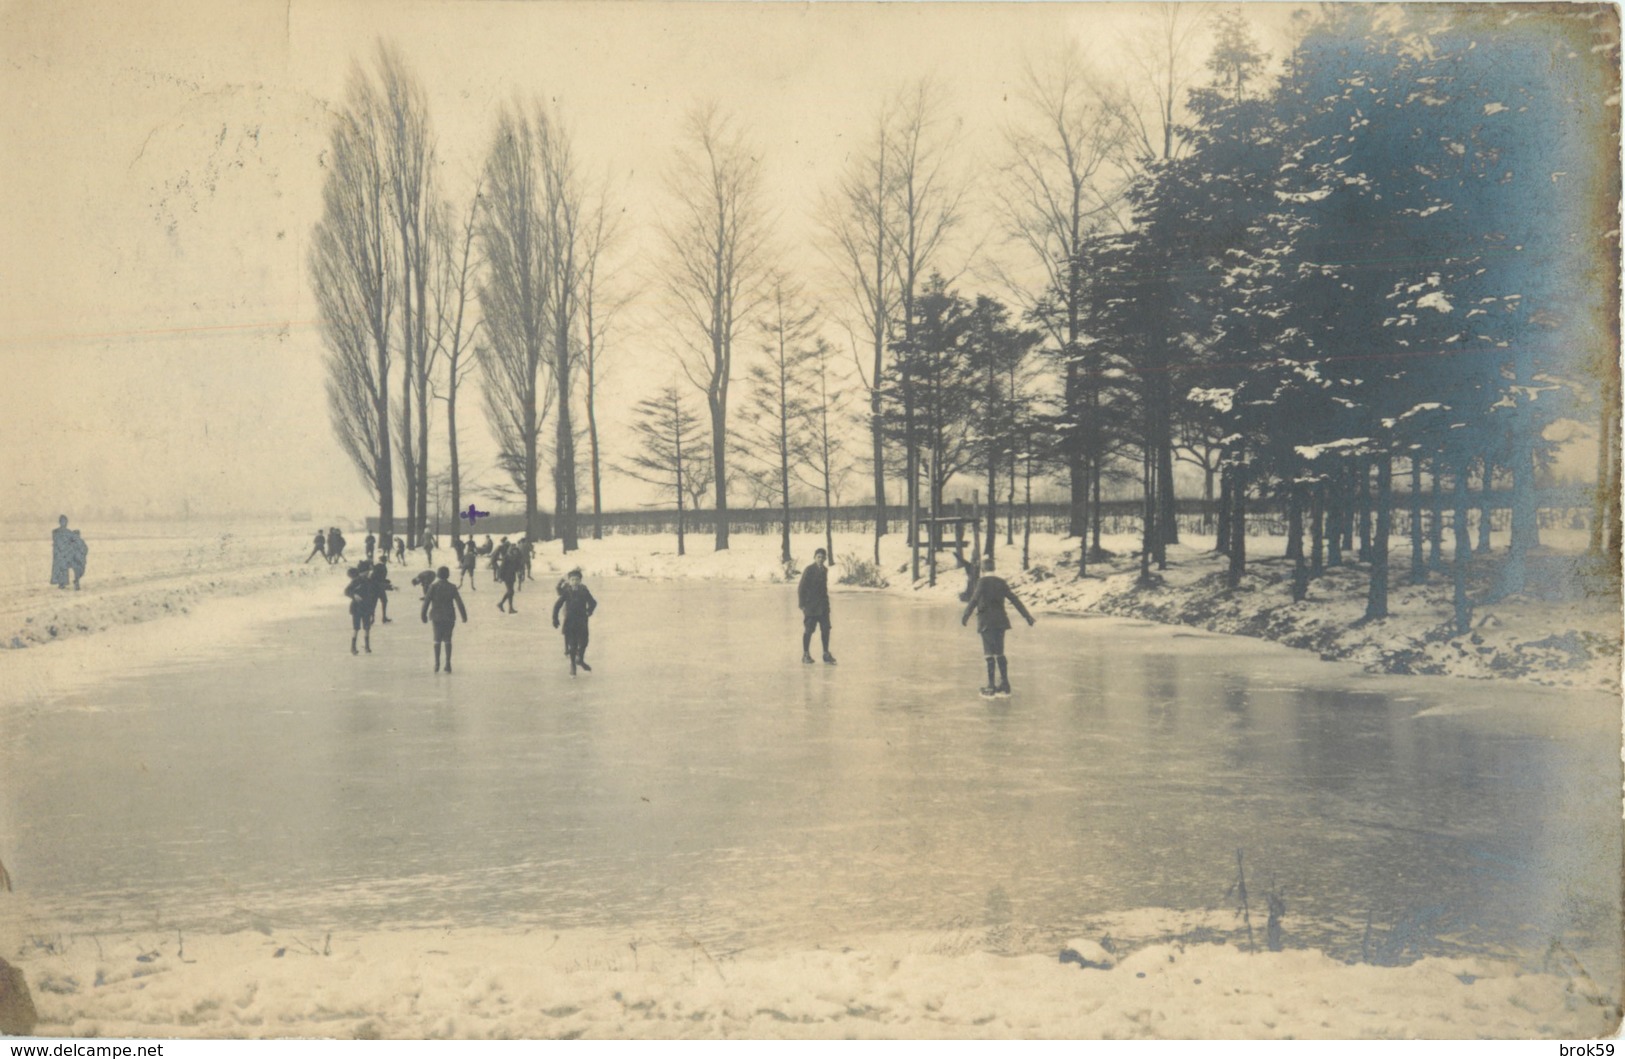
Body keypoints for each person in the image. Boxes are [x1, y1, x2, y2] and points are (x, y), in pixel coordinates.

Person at [959, 556, 1035, 697]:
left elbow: (974, 599)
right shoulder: (1001, 582)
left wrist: (965, 615)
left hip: (986, 621)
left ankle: (991, 685)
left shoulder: (982, 582)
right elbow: (1014, 599)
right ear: (994, 568)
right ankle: (1005, 685)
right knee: (1000, 652)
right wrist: (1027, 616)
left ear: (982, 569)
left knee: (989, 653)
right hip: (1001, 622)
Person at [421, 566, 468, 674]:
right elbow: (459, 602)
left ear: (437, 575)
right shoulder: (452, 587)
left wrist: (423, 615)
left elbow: (426, 602)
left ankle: (437, 664)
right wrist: (464, 616)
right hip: (449, 616)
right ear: (448, 575)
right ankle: (447, 663)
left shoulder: (433, 587)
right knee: (448, 639)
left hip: (436, 617)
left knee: (437, 639)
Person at [552, 568, 598, 676]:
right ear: (569, 581)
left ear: (580, 580)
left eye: (577, 579)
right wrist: (555, 618)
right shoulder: (567, 592)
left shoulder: (584, 591)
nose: (574, 582)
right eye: (572, 580)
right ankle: (573, 665)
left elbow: (593, 602)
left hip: (582, 620)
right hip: (570, 620)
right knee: (572, 644)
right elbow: (557, 605)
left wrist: (589, 611)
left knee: (584, 642)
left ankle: (580, 660)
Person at [797, 548, 836, 664]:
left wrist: (827, 606)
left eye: (823, 557)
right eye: (818, 557)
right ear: (814, 557)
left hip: (823, 607)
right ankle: (805, 654)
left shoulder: (825, 570)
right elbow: (801, 588)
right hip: (811, 606)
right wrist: (802, 604)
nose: (821, 559)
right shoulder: (809, 570)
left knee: (825, 629)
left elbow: (824, 589)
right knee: (809, 630)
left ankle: (825, 653)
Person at [344, 563, 381, 655]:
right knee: (356, 628)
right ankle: (353, 647)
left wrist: (391, 587)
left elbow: (378, 587)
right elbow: (347, 591)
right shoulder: (356, 581)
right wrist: (354, 595)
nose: (368, 573)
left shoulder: (369, 581)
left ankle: (367, 646)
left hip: (367, 607)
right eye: (367, 571)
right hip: (357, 608)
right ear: (362, 572)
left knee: (367, 627)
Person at [495, 542, 521, 613]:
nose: (516, 552)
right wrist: (499, 577)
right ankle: (508, 607)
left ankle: (503, 605)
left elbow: (517, 567)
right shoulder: (507, 557)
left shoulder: (515, 558)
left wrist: (518, 571)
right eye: (514, 550)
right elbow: (502, 567)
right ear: (511, 550)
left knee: (511, 592)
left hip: (512, 576)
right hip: (506, 577)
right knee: (510, 591)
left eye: (516, 551)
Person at [50, 516, 75, 589]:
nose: (64, 523)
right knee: (59, 568)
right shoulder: (56, 532)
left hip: (64, 553)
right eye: (63, 521)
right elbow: (56, 541)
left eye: (65, 521)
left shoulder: (68, 532)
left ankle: (62, 583)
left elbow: (72, 541)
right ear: (60, 522)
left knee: (63, 568)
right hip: (59, 553)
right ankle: (60, 583)